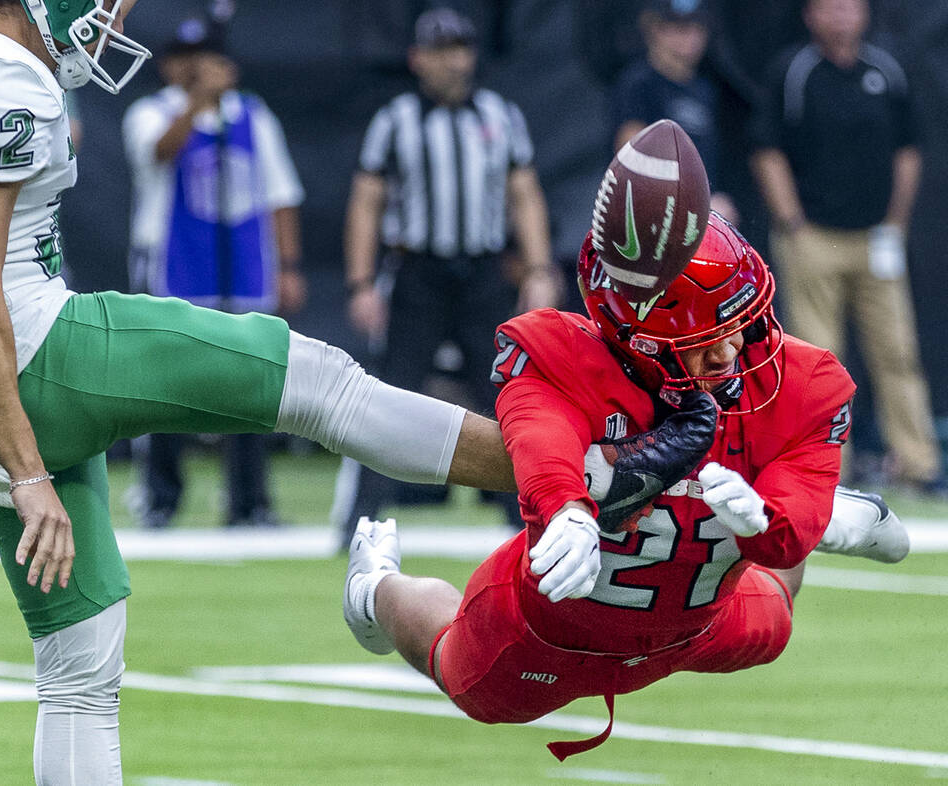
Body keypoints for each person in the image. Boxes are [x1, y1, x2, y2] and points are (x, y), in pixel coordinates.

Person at [0, 0, 515, 785]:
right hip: (24, 364)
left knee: (78, 672)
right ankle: (585, 472)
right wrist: (29, 472)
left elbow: (4, 1)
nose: (118, 13)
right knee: (316, 382)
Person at [343, 213, 909, 760]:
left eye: (739, 322)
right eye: (707, 336)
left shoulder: (791, 380)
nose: (732, 349)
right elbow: (541, 441)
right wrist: (566, 508)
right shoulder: (564, 358)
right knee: (468, 681)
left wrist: (779, 519)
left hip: (700, 616)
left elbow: (781, 545)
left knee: (776, 612)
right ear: (639, 336)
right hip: (552, 629)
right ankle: (374, 586)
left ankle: (824, 512)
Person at [337, 7, 560, 540]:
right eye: (441, 51)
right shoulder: (395, 121)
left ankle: (525, 515)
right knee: (389, 394)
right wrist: (362, 282)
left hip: (483, 274)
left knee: (507, 395)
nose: (454, 62)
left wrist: (537, 268)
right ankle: (359, 519)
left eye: (461, 49)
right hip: (419, 273)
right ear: (418, 59)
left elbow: (524, 195)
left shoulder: (501, 115)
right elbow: (366, 202)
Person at [751, 0, 940, 493]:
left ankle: (917, 464)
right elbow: (766, 148)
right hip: (814, 237)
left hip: (876, 237)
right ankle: (829, 466)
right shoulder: (793, 71)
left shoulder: (886, 70)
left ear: (864, 12)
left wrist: (896, 222)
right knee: (819, 357)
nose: (841, 14)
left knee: (897, 351)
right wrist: (791, 220)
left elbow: (908, 149)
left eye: (850, 4)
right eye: (830, 4)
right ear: (811, 13)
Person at [123, 16, 306, 528]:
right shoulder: (149, 113)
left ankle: (249, 501)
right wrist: (197, 102)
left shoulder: (252, 115)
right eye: (185, 58)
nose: (195, 67)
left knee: (250, 383)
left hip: (241, 265)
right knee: (164, 384)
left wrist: (287, 264)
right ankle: (161, 496)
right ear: (167, 65)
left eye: (205, 56)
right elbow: (159, 153)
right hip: (169, 265)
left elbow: (279, 193)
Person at [612, 0, 737, 223]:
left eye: (696, 28)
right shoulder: (638, 83)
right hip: (652, 219)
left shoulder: (703, 89)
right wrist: (697, 204)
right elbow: (631, 163)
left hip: (695, 220)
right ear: (653, 29)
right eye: (678, 28)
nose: (689, 38)